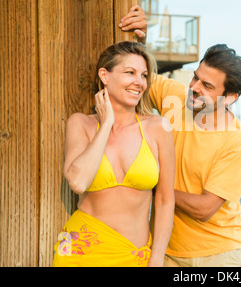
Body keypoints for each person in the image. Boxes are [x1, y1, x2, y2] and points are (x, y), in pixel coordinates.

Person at [119, 7, 241, 267]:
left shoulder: (237, 142)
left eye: (207, 86)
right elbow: (138, 72)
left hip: (219, 255)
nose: (194, 88)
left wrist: (149, 184)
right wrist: (140, 38)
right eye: (196, 77)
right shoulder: (175, 97)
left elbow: (204, 208)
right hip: (164, 250)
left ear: (229, 98)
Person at [52, 41, 175, 267]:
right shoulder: (80, 124)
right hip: (80, 252)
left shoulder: (159, 127)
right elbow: (78, 182)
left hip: (134, 254)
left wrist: (157, 257)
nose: (139, 82)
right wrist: (106, 123)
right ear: (104, 75)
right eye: (130, 72)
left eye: (144, 75)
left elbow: (166, 200)